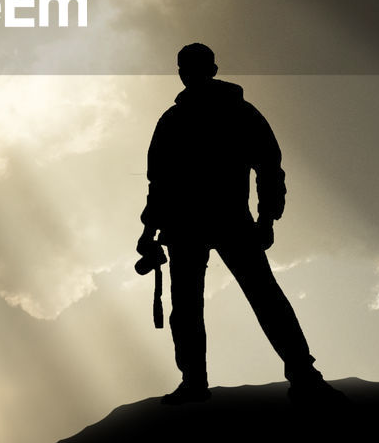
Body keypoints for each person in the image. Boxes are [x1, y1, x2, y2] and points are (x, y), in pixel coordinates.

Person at [137, 43, 334, 405]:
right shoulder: (206, 116)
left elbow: (268, 168)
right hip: (202, 226)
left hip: (218, 223)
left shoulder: (202, 117)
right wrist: (149, 230)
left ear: (207, 69)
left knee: (252, 299)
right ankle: (295, 376)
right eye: (185, 68)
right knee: (216, 304)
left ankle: (298, 375)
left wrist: (267, 218)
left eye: (191, 67)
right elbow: (160, 183)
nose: (188, 73)